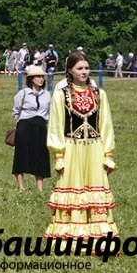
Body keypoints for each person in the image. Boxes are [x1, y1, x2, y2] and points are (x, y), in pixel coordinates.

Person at [44, 51, 116, 242]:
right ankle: (71, 236)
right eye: (79, 68)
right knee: (73, 188)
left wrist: (108, 154)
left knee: (95, 188)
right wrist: (58, 155)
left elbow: (106, 125)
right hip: (71, 149)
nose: (84, 72)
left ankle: (98, 235)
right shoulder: (61, 95)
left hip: (94, 149)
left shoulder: (100, 94)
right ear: (70, 70)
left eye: (86, 68)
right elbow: (55, 126)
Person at [11, 63, 51, 192]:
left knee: (40, 155)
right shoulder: (22, 93)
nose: (41, 79)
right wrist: (21, 121)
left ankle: (40, 187)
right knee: (21, 155)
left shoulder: (47, 95)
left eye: (42, 76)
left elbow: (49, 111)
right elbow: (16, 110)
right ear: (31, 79)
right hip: (25, 126)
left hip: (40, 127)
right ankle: (21, 186)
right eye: (37, 76)